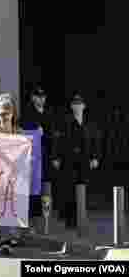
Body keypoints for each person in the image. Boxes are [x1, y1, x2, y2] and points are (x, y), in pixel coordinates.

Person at [53, 93, 100, 232]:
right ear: (71, 106)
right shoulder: (65, 121)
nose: (77, 106)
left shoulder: (90, 123)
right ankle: (70, 220)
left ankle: (82, 218)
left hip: (84, 161)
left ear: (84, 106)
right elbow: (58, 141)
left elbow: (95, 142)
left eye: (80, 104)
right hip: (69, 160)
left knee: (83, 188)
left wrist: (95, 157)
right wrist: (56, 157)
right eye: (75, 104)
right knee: (69, 190)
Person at [0, 95, 24, 254]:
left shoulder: (19, 131)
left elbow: (25, 153)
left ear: (13, 113)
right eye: (2, 113)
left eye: (7, 112)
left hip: (15, 175)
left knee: (13, 206)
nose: (5, 115)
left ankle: (12, 235)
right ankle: (4, 239)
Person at [21, 86, 59, 233]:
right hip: (33, 158)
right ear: (32, 98)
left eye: (43, 96)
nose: (41, 99)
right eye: (37, 96)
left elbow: (55, 135)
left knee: (46, 191)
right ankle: (32, 223)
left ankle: (46, 223)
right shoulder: (26, 113)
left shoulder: (50, 112)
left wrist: (55, 156)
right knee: (33, 191)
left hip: (47, 157)